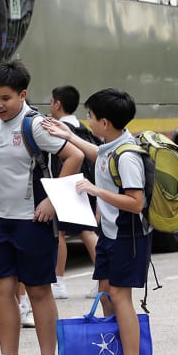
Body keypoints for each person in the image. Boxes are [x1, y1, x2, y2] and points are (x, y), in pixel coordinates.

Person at [0, 61, 84, 355]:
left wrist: (52, 199)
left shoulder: (35, 125)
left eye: (6, 98)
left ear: (23, 94)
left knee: (38, 290)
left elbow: (74, 155)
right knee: (1, 290)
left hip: (32, 221)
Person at [42, 88, 152, 355]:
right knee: (106, 293)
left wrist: (96, 191)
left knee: (120, 297)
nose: (88, 122)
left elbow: (136, 202)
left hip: (127, 239)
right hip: (110, 235)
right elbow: (95, 154)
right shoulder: (111, 146)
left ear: (104, 122)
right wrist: (68, 134)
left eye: (90, 118)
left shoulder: (127, 155)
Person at [49, 85, 98, 299]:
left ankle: (58, 282)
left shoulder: (55, 128)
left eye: (51, 101)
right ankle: (101, 278)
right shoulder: (83, 128)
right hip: (85, 183)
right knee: (86, 231)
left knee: (58, 232)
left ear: (57, 104)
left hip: (64, 182)